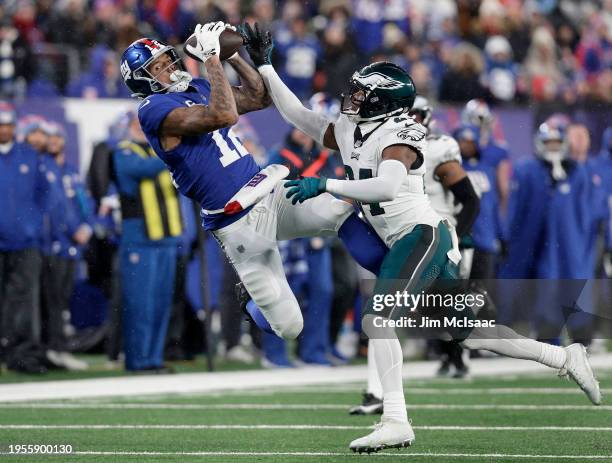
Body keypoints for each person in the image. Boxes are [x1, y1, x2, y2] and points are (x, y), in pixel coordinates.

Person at [250, 24, 601, 452]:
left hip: (419, 236)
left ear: (383, 103)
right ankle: (565, 357)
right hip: (394, 241)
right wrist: (266, 68)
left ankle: (396, 419)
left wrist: (326, 185)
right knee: (470, 333)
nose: (352, 98)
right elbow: (299, 116)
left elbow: (385, 187)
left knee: (378, 320)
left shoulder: (400, 135)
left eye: (362, 93)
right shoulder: (351, 128)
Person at [119, 23, 388, 349]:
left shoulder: (199, 86)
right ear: (141, 80)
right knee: (289, 326)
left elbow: (259, 98)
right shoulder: (153, 110)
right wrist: (213, 59)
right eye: (156, 68)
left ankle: (398, 276)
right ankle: (250, 303)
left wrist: (235, 57)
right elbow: (223, 116)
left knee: (340, 209)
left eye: (167, 60)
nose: (168, 69)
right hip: (237, 222)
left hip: (268, 192)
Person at [113, 113, 183, 372]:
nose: (142, 131)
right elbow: (139, 171)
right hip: (139, 238)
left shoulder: (163, 156)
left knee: (161, 302)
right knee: (141, 302)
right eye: (137, 126)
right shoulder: (124, 152)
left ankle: (154, 357)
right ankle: (138, 359)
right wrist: (174, 151)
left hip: (166, 237)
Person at [0, 102, 59, 373]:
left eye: (9, 124)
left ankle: (22, 354)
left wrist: (33, 225)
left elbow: (46, 194)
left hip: (24, 242)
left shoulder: (29, 155)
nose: (5, 129)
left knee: (24, 301)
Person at [41, 121, 92, 370]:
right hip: (56, 244)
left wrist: (88, 226)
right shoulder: (43, 168)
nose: (53, 141)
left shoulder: (70, 171)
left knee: (64, 298)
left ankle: (59, 347)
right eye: (49, 137)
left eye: (56, 137)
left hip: (72, 245)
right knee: (54, 300)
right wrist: (73, 230)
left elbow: (84, 204)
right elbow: (54, 209)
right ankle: (54, 348)